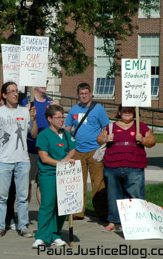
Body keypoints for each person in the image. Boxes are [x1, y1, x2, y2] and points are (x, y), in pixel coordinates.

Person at [0, 82, 37, 238]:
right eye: (12, 91)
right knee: (2, 195)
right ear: (4, 95)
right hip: (4, 160)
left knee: (22, 196)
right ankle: (0, 226)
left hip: (22, 160)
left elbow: (33, 134)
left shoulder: (25, 111)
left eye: (17, 91)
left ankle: (23, 226)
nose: (15, 94)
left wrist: (33, 119)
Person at [97, 105, 156, 232]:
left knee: (135, 195)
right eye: (124, 110)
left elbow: (152, 141)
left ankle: (135, 223)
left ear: (134, 112)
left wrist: (144, 139)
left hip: (134, 166)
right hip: (112, 166)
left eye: (130, 110)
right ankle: (113, 221)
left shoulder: (140, 126)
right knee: (113, 195)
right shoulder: (111, 126)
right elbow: (99, 139)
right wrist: (105, 138)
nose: (127, 113)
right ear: (119, 112)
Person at [32, 105, 76, 248]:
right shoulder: (43, 135)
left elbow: (72, 149)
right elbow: (44, 158)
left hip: (64, 175)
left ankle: (55, 234)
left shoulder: (66, 134)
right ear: (50, 119)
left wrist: (67, 159)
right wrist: (60, 163)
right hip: (49, 174)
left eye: (63, 117)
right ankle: (42, 236)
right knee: (48, 205)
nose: (62, 120)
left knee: (62, 206)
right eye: (58, 117)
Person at [65, 83, 109, 222]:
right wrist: (67, 145)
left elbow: (105, 129)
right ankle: (77, 212)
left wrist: (103, 145)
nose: (84, 96)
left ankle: (102, 213)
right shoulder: (73, 110)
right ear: (78, 95)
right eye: (81, 93)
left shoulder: (99, 110)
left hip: (95, 150)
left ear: (90, 94)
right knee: (78, 182)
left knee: (98, 182)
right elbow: (67, 128)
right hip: (77, 150)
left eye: (86, 93)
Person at [20, 85, 54, 205]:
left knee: (42, 183)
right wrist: (26, 110)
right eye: (41, 83)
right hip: (31, 149)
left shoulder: (50, 103)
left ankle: (44, 212)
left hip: (47, 150)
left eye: (46, 82)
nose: (44, 85)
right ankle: (24, 214)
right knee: (27, 182)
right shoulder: (27, 102)